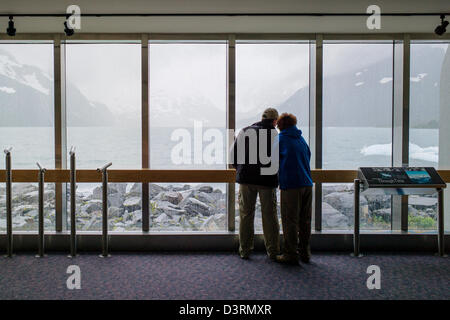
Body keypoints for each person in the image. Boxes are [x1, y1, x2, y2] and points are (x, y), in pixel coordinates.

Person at [231, 107, 280, 260]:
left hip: (246, 180)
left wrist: (241, 170)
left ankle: (245, 250)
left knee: (246, 215)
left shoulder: (245, 131)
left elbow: (233, 158)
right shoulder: (275, 135)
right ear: (275, 121)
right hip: (267, 181)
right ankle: (273, 251)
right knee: (270, 216)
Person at [275, 113, 313, 264]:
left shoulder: (281, 139)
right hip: (307, 184)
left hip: (291, 185)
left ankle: (290, 254)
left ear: (280, 125)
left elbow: (273, 161)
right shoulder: (301, 139)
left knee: (290, 221)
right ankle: (305, 252)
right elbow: (308, 156)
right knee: (305, 221)